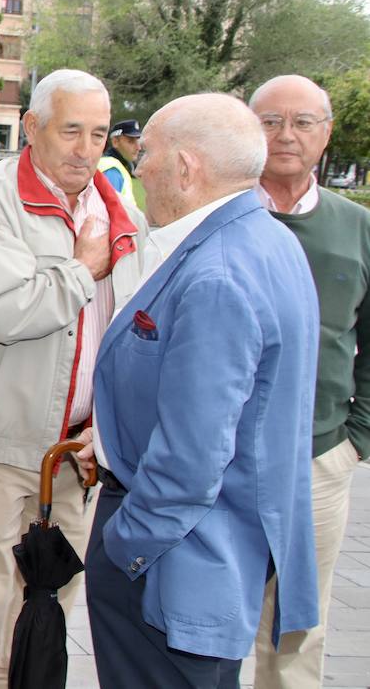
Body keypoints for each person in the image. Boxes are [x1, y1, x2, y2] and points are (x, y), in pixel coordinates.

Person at [80, 93, 319, 688]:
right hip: (214, 548)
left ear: (186, 168)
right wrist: (111, 439)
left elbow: (192, 457)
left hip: (176, 561)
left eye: (148, 155)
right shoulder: (266, 237)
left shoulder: (216, 273)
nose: (140, 168)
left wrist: (124, 546)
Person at [0, 69, 146, 689]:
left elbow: (131, 331)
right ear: (32, 128)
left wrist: (106, 430)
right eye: (71, 131)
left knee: (51, 599)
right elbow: (0, 312)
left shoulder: (118, 209)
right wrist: (83, 269)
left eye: (100, 133)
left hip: (77, 454)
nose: (87, 149)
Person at [247, 75, 369, 688]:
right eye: (270, 121)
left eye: (302, 122)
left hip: (319, 457)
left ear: (326, 133)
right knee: (201, 612)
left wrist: (356, 440)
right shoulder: (220, 215)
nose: (286, 136)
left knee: (298, 625)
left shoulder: (356, 228)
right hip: (226, 460)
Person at [97, 118, 141, 206]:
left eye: (138, 141)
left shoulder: (111, 165)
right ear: (115, 142)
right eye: (131, 141)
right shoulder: (112, 169)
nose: (138, 147)